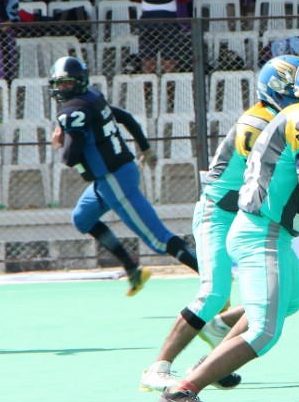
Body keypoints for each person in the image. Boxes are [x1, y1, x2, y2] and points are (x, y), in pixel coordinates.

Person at [159, 49, 299, 402]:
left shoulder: (294, 114)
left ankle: (210, 363)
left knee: (295, 296)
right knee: (263, 333)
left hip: (262, 228)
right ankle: (182, 390)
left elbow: (296, 200)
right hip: (262, 232)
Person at [139, 55, 299, 393]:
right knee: (214, 292)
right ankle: (158, 367)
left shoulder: (280, 118)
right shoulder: (258, 123)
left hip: (246, 215)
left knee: (295, 294)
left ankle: (214, 343)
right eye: (295, 92)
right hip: (220, 213)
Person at [49, 56, 198, 296]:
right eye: (61, 84)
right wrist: (146, 148)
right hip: (113, 176)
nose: (64, 88)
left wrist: (58, 142)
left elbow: (70, 157)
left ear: (80, 81)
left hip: (114, 179)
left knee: (159, 240)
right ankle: (132, 268)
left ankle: (213, 280)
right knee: (82, 218)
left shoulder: (73, 110)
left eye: (68, 83)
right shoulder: (92, 97)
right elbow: (126, 118)